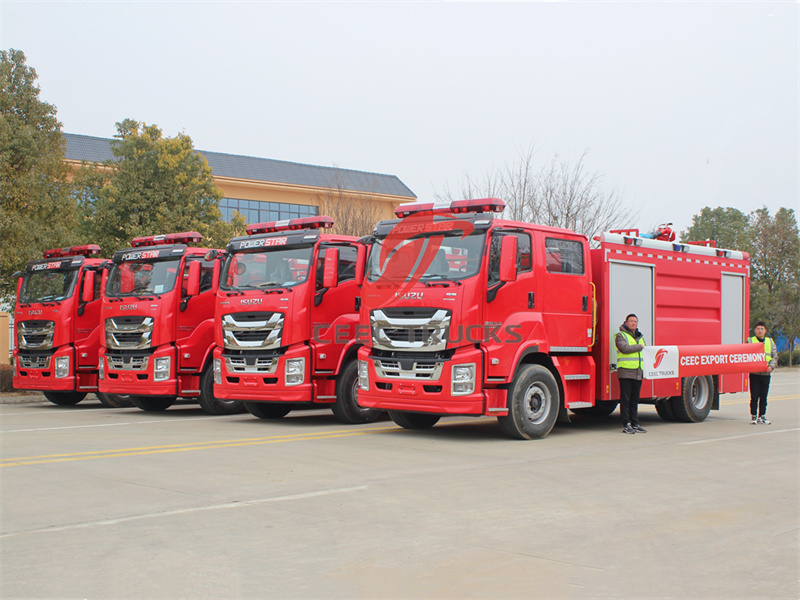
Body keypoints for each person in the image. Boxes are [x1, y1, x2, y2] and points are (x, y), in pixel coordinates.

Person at [616, 314, 647, 434]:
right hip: (626, 372)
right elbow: (625, 348)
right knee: (626, 400)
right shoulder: (620, 335)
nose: (633, 323)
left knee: (634, 400)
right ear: (626, 322)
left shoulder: (640, 336)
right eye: (631, 321)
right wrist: (639, 346)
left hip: (637, 372)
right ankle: (626, 424)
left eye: (635, 321)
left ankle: (635, 423)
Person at [748, 321, 777, 425]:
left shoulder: (770, 341)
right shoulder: (750, 341)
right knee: (754, 396)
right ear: (755, 330)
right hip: (754, 374)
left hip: (766, 374)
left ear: (765, 331)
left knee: (764, 396)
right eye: (758, 329)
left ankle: (762, 416)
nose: (760, 331)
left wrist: (771, 366)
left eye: (762, 329)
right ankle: (754, 416)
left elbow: (774, 356)